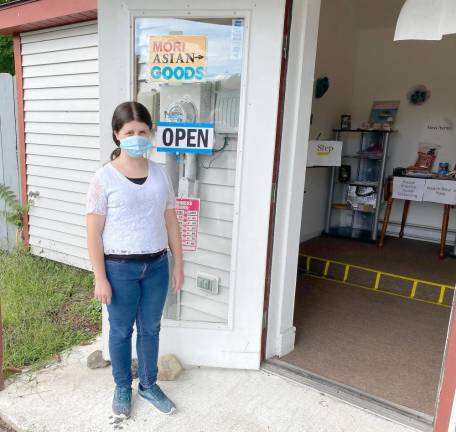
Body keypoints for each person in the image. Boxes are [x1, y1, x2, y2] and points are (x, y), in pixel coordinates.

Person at [85, 101, 184, 418]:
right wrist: (100, 277)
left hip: (157, 265)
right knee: (121, 331)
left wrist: (178, 264)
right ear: (117, 134)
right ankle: (122, 387)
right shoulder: (104, 178)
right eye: (130, 131)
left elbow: (171, 221)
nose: (137, 136)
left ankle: (149, 384)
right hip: (119, 269)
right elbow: (93, 233)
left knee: (151, 329)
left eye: (143, 131)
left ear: (150, 132)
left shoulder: (160, 174)